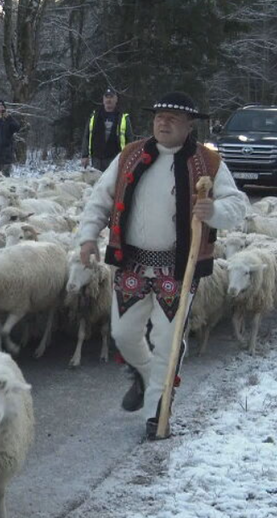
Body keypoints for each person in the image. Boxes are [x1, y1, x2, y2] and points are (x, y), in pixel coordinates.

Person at [76, 92, 248, 440]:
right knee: (123, 333)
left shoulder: (207, 163)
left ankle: (158, 409)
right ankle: (142, 373)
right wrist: (88, 236)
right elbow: (101, 198)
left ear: (189, 125)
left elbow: (238, 204)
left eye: (172, 118)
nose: (163, 122)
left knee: (169, 341)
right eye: (159, 116)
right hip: (132, 263)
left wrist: (214, 211)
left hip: (177, 269)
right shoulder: (130, 156)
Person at [81, 87, 133, 171]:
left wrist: (128, 157)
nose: (109, 100)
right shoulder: (94, 116)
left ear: (116, 99)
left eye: (111, 97)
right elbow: (86, 136)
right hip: (97, 159)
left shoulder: (123, 117)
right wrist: (84, 155)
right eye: (106, 97)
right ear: (103, 99)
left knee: (112, 183)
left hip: (115, 158)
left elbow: (130, 139)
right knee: (97, 182)